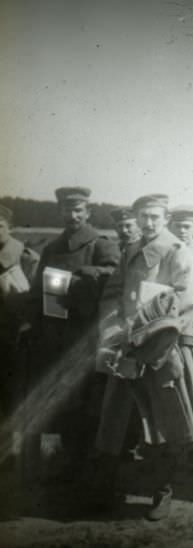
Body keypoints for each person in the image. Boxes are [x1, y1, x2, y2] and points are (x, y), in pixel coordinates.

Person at [92, 194, 193, 520]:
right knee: (119, 419)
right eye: (143, 217)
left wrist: (151, 334)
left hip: (162, 349)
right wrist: (115, 332)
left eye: (154, 217)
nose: (148, 223)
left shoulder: (178, 252)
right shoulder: (130, 252)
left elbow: (189, 301)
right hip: (127, 349)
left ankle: (163, 491)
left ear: (165, 218)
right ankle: (111, 488)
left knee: (164, 423)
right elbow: (112, 295)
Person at [24, 187, 119, 483]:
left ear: (88, 212)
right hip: (56, 337)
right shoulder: (53, 248)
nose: (73, 216)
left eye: (79, 210)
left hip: (87, 336)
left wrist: (91, 273)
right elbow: (40, 291)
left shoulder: (101, 244)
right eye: (67, 210)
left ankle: (91, 462)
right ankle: (69, 460)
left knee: (90, 399)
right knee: (65, 402)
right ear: (60, 212)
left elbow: (116, 277)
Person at [0, 205, 39, 422]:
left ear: (10, 228)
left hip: (15, 338)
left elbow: (37, 299)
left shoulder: (25, 257)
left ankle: (13, 454)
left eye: (0, 226)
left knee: (13, 399)